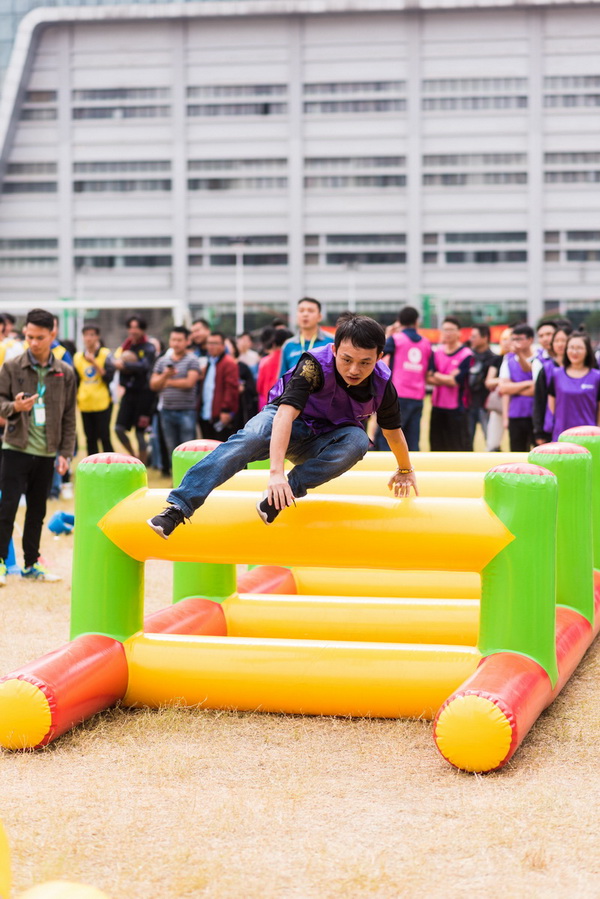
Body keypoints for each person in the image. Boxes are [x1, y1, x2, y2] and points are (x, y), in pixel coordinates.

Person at [147, 313, 418, 538]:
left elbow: (392, 430)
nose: (354, 370)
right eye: (346, 360)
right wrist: (275, 473)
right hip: (287, 421)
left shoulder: (382, 384)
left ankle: (280, 497)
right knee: (251, 437)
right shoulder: (313, 366)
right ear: (334, 350)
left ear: (380, 356)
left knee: (358, 442)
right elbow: (285, 416)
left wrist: (405, 469)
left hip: (326, 437)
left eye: (365, 363)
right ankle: (178, 507)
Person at [0, 308, 76, 584]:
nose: (33, 342)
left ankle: (32, 564)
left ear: (52, 334)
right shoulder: (11, 367)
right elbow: (0, 402)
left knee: (37, 511)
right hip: (15, 448)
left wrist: (65, 453)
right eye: (29, 336)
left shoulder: (65, 372)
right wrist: (14, 407)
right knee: (6, 507)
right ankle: (0, 563)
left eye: (39, 337)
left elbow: (69, 415)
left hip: (46, 452)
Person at [380, 305, 431, 452]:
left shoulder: (396, 339)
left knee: (390, 436)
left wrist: (388, 334)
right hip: (418, 396)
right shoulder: (426, 344)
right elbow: (429, 370)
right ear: (417, 322)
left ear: (399, 321)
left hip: (398, 395)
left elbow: (378, 353)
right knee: (412, 439)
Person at [150, 326, 200, 461]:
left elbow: (189, 383)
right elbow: (153, 385)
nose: (176, 343)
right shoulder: (162, 361)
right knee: (172, 449)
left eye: (179, 340)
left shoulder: (192, 360)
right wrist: (166, 375)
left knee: (188, 450)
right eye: (173, 340)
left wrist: (167, 382)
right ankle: (176, 478)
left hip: (186, 411)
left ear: (187, 341)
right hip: (166, 410)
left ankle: (188, 480)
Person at [112, 315, 157, 464]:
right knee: (118, 429)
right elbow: (118, 364)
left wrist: (125, 365)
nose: (133, 330)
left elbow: (144, 367)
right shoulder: (127, 347)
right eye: (130, 327)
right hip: (129, 394)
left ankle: (142, 465)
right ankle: (134, 457)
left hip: (144, 396)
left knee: (139, 433)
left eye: (136, 327)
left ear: (143, 330)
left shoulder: (149, 348)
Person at [427, 316, 473, 452]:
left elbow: (455, 381)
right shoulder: (437, 352)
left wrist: (437, 375)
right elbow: (428, 378)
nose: (447, 333)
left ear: (459, 332)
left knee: (458, 446)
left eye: (451, 330)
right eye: (444, 330)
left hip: (457, 408)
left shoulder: (466, 354)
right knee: (436, 446)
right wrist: (446, 377)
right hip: (437, 406)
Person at [547, 332, 600, 441]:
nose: (574, 352)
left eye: (579, 348)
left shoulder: (596, 377)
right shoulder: (556, 374)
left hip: (588, 436)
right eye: (571, 347)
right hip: (562, 435)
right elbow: (551, 406)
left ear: (587, 351)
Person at [74, 323, 114, 456]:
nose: (88, 338)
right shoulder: (78, 357)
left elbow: (109, 377)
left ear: (97, 337)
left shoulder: (105, 354)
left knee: (104, 437)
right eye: (86, 335)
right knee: (89, 438)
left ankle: (111, 466)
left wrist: (94, 363)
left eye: (92, 335)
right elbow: (76, 381)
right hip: (85, 403)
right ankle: (93, 467)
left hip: (102, 403)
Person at [498, 324, 536, 451]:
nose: (515, 343)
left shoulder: (539, 359)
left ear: (530, 340)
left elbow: (536, 390)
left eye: (519, 339)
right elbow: (503, 389)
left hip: (535, 415)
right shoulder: (508, 359)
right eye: (513, 339)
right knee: (517, 452)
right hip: (515, 414)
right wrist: (527, 383)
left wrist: (513, 388)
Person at [533, 324, 571, 445]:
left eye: (563, 340)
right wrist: (539, 431)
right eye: (556, 341)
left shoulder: (588, 370)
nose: (560, 344)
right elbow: (539, 402)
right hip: (552, 427)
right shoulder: (547, 369)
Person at [198, 332, 240, 441]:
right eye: (209, 343)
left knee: (219, 446)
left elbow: (231, 389)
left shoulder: (228, 363)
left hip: (220, 414)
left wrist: (226, 410)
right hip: (206, 413)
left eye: (215, 343)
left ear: (223, 345)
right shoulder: (209, 362)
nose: (211, 346)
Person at [278, 297, 334, 376]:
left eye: (310, 311)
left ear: (319, 317)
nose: (305, 314)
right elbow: (282, 379)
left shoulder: (331, 341)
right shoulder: (288, 345)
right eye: (301, 311)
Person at [467, 324, 497, 449]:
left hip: (487, 406)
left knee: (491, 442)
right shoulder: (468, 356)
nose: (471, 339)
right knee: (467, 442)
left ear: (485, 338)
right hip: (468, 405)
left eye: (474, 336)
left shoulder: (494, 359)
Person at [484, 327, 512, 452]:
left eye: (509, 339)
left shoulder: (519, 361)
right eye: (504, 339)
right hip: (499, 405)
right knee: (492, 442)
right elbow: (489, 381)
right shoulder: (497, 360)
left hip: (517, 404)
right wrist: (503, 380)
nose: (506, 343)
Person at [257, 327, 293, 410]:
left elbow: (259, 387)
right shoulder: (290, 360)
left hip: (267, 403)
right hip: (287, 404)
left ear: (273, 343)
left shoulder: (264, 361)